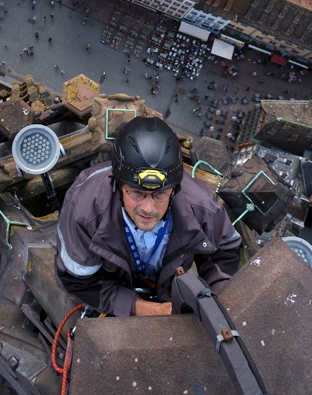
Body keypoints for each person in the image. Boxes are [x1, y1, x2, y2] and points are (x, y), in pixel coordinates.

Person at [55, 116, 240, 317]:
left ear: (174, 190)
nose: (148, 208)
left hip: (164, 289)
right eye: (137, 193)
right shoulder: (84, 209)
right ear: (118, 184)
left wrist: (214, 306)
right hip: (108, 289)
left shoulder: (203, 207)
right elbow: (78, 282)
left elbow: (225, 252)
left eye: (159, 194)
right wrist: (152, 309)